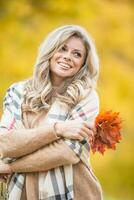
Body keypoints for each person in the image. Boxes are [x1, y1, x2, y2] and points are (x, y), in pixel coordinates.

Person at [0, 25, 103, 200]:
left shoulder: (86, 97)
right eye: (62, 48)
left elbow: (67, 152)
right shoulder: (18, 92)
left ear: (83, 63)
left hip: (74, 192)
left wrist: (11, 167)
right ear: (50, 51)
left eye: (76, 54)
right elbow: (6, 143)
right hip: (24, 191)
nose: (67, 57)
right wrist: (58, 129)